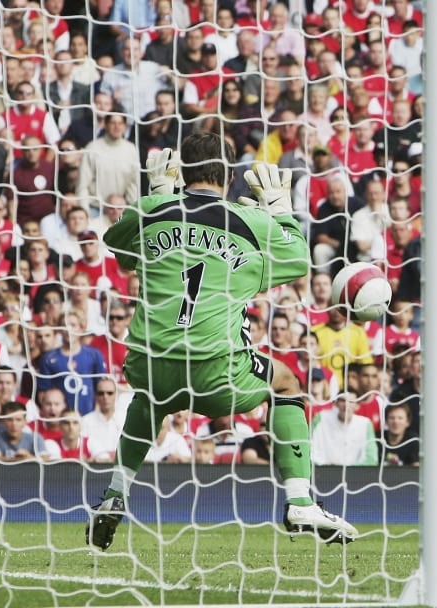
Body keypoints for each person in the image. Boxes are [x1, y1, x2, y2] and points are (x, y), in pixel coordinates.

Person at [88, 133, 357, 551]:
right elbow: (298, 261)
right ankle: (300, 501)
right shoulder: (250, 222)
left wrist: (159, 195)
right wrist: (281, 211)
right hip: (218, 372)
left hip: (151, 364)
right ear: (230, 176)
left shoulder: (149, 210)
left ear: (182, 171)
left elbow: (119, 251)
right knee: (286, 383)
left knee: (148, 399)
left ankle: (115, 494)